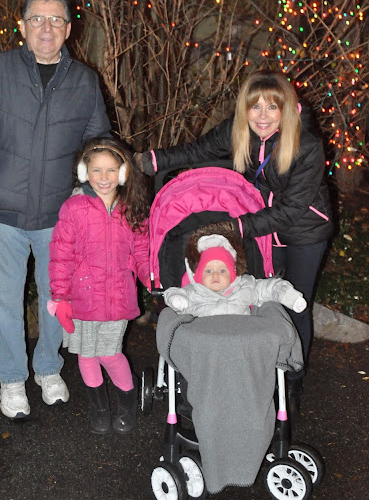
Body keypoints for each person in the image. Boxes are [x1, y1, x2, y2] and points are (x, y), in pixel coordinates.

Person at [0, 0, 111, 419]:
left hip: (58, 214)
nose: (46, 27)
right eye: (37, 19)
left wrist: (86, 193)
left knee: (57, 297)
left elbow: (98, 142)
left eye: (56, 19)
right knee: (5, 300)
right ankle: (11, 378)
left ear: (69, 29)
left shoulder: (84, 80)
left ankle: (47, 368)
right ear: (22, 26)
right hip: (2, 210)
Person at [136, 69, 333, 409]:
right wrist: (156, 161)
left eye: (272, 107)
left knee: (294, 302)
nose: (263, 116)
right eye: (255, 107)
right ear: (245, 109)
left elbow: (290, 209)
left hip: (303, 231)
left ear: (285, 109)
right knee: (258, 299)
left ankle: (292, 378)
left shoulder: (307, 145)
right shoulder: (238, 130)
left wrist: (237, 227)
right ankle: (256, 370)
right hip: (260, 227)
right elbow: (198, 151)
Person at [48, 138, 151, 434]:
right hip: (82, 297)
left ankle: (127, 404)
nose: (103, 177)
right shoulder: (73, 208)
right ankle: (99, 409)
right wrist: (60, 296)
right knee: (87, 355)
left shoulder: (132, 209)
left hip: (118, 297)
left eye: (110, 170)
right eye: (96, 170)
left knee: (109, 354)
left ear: (123, 172)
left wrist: (151, 279)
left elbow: (142, 252)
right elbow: (61, 255)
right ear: (85, 172)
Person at [164, 227, 307, 317]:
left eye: (222, 270)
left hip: (241, 342)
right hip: (205, 344)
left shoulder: (245, 286)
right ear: (198, 276)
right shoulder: (194, 292)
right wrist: (176, 298)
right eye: (208, 271)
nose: (215, 275)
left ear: (233, 273)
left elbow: (270, 288)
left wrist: (290, 297)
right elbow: (174, 292)